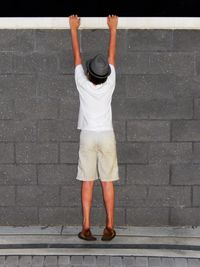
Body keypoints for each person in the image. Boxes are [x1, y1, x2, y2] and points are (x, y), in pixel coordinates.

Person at [69, 14, 119, 241]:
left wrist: (73, 28)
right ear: (105, 75)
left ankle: (86, 227)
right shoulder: (110, 82)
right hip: (106, 135)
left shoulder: (82, 82)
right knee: (107, 181)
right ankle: (109, 227)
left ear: (89, 73)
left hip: (88, 136)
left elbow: (77, 57)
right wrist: (113, 28)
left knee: (87, 182)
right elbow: (111, 56)